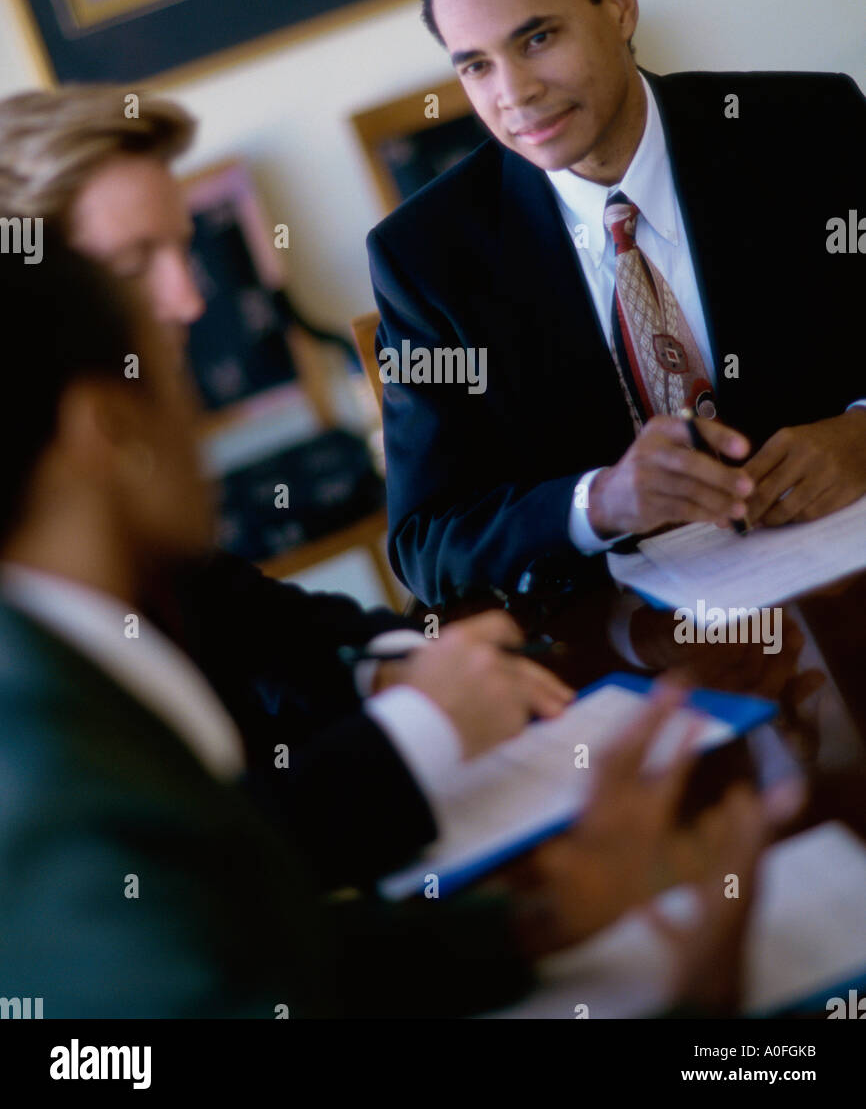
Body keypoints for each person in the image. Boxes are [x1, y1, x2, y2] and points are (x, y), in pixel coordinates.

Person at [0, 232, 765, 1017]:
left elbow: (253, 938)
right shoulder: (51, 796)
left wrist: (551, 916)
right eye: (171, 383)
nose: (199, 424)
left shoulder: (60, 661)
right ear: (108, 431)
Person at [0, 86, 572, 888]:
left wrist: (400, 669)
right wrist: (424, 725)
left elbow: (269, 625)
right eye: (136, 266)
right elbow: (186, 878)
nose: (190, 300)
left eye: (182, 251)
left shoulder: (125, 489)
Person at [367, 0, 866, 607]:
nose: (515, 95)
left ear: (619, 7)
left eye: (538, 38)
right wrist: (595, 504)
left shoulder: (809, 129)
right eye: (476, 65)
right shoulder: (429, 259)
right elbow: (426, 541)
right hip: (643, 650)